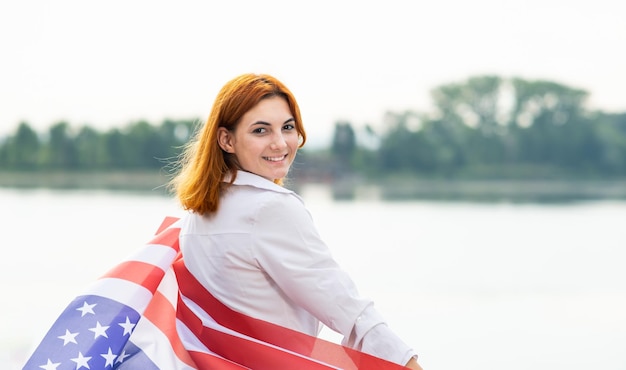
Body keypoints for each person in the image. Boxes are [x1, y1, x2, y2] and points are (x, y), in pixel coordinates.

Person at [169, 73, 423, 369]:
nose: (280, 143)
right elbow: (348, 310)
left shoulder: (196, 213)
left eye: (287, 127)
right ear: (226, 139)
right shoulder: (271, 208)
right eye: (261, 130)